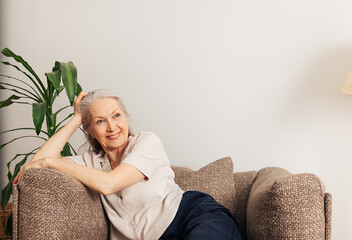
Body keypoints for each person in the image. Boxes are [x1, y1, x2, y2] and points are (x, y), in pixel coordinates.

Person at [13, 89, 243, 240]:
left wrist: (53, 162)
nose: (112, 127)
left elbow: (109, 184)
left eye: (116, 116)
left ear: (126, 118)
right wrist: (75, 119)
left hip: (192, 214)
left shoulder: (147, 142)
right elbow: (33, 169)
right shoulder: (90, 162)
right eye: (100, 121)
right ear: (90, 131)